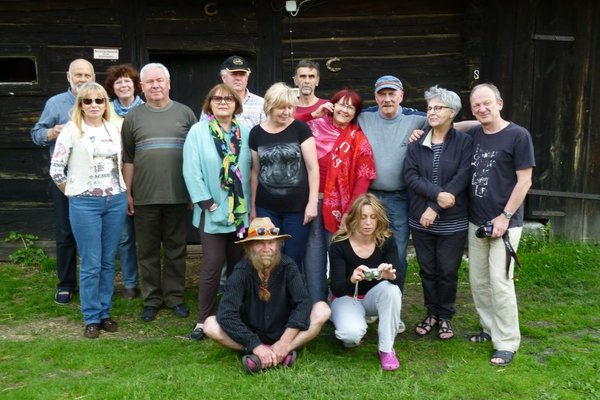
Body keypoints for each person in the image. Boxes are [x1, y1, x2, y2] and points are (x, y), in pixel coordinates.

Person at [203, 217, 331, 374]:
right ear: (250, 247)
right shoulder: (240, 273)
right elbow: (227, 315)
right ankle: (264, 352)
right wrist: (255, 344)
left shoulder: (288, 266)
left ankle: (281, 351)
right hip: (250, 333)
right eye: (260, 243)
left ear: (277, 245)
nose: (266, 248)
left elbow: (303, 303)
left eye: (270, 242)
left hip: (284, 331)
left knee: (323, 309)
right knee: (210, 325)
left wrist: (285, 341)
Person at [49, 82, 127, 338]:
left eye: (99, 100)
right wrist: (74, 192)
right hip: (85, 204)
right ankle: (91, 316)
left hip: (114, 200)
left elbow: (120, 163)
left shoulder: (114, 129)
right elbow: (56, 169)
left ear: (105, 104)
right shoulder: (71, 131)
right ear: (80, 105)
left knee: (107, 261)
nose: (94, 105)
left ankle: (105, 313)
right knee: (91, 262)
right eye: (88, 101)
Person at [121, 63, 197, 322]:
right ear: (141, 87)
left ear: (169, 84)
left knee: (177, 249)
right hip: (144, 197)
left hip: (178, 195)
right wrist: (128, 192)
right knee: (148, 250)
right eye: (149, 82)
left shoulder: (185, 114)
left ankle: (174, 297)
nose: (155, 85)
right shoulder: (133, 118)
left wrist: (193, 192)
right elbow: (128, 158)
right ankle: (152, 299)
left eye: (159, 80)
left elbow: (195, 156)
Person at [466, 83, 534, 366]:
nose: (482, 109)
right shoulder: (473, 133)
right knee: (479, 281)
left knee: (500, 281)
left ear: (500, 103)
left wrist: (504, 217)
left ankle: (506, 342)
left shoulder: (518, 136)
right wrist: (427, 125)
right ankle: (489, 328)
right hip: (476, 221)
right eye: (476, 105)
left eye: (487, 103)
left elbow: (525, 181)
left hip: (505, 222)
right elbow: (456, 125)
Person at [183, 84, 252, 340]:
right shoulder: (198, 132)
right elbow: (191, 170)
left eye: (228, 99)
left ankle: (233, 314)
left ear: (237, 104)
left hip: (240, 215)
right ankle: (203, 319)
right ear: (209, 103)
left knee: (238, 267)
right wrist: (208, 203)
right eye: (217, 98)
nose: (223, 102)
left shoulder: (245, 132)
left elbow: (251, 171)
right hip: (210, 212)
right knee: (212, 265)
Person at [405, 86, 472, 340]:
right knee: (427, 270)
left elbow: (462, 178)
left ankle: (445, 316)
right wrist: (435, 198)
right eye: (429, 108)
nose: (431, 112)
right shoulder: (417, 140)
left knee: (446, 270)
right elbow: (410, 176)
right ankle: (431, 313)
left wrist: (434, 207)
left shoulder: (465, 142)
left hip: (451, 220)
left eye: (437, 108)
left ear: (452, 112)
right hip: (420, 219)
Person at [31, 58, 95, 305]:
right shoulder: (56, 103)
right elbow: (36, 133)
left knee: (94, 234)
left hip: (94, 179)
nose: (82, 79)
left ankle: (96, 282)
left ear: (93, 77)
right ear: (69, 77)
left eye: (86, 75)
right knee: (65, 232)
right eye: (77, 75)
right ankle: (66, 284)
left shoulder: (99, 102)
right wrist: (52, 133)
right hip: (64, 180)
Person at [303, 88, 376, 302]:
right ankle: (316, 305)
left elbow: (364, 176)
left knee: (339, 256)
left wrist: (350, 211)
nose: (344, 110)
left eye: (350, 107)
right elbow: (288, 122)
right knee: (312, 257)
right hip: (310, 202)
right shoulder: (311, 128)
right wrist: (313, 113)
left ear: (355, 113)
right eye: (341, 104)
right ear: (332, 105)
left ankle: (341, 304)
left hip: (340, 208)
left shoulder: (357, 139)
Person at [358, 75, 428, 292]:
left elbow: (445, 125)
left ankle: (393, 301)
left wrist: (426, 133)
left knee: (397, 251)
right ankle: (369, 301)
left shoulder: (417, 119)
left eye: (392, 94)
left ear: (401, 96)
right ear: (375, 97)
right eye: (382, 94)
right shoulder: (363, 117)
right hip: (370, 197)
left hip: (399, 197)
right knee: (367, 247)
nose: (387, 99)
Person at [329, 193, 403, 371]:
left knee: (392, 291)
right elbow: (337, 289)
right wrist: (351, 278)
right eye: (363, 217)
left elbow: (398, 277)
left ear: (379, 219)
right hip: (346, 296)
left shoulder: (386, 240)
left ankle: (386, 349)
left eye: (373, 217)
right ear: (354, 218)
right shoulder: (339, 244)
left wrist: (390, 276)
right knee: (350, 336)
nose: (368, 223)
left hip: (372, 297)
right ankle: (349, 324)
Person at [249, 82, 319, 270]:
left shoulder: (300, 129)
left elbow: (313, 168)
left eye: (290, 107)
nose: (287, 112)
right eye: (282, 107)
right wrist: (253, 207)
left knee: (292, 259)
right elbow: (255, 171)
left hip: (297, 209)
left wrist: (312, 203)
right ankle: (268, 298)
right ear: (270, 106)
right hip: (266, 208)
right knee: (267, 258)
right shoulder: (256, 133)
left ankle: (292, 298)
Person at [104, 63, 144, 299]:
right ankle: (130, 282)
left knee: (149, 235)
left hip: (146, 178)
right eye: (118, 81)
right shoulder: (106, 110)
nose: (123, 84)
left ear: (135, 84)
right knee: (125, 235)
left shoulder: (147, 108)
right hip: (116, 179)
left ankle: (152, 281)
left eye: (127, 80)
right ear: (113, 87)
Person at [212, 55, 266, 129]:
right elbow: (202, 133)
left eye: (242, 74)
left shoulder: (261, 103)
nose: (238, 78)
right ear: (224, 78)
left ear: (247, 78)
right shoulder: (213, 103)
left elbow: (266, 134)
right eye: (234, 74)